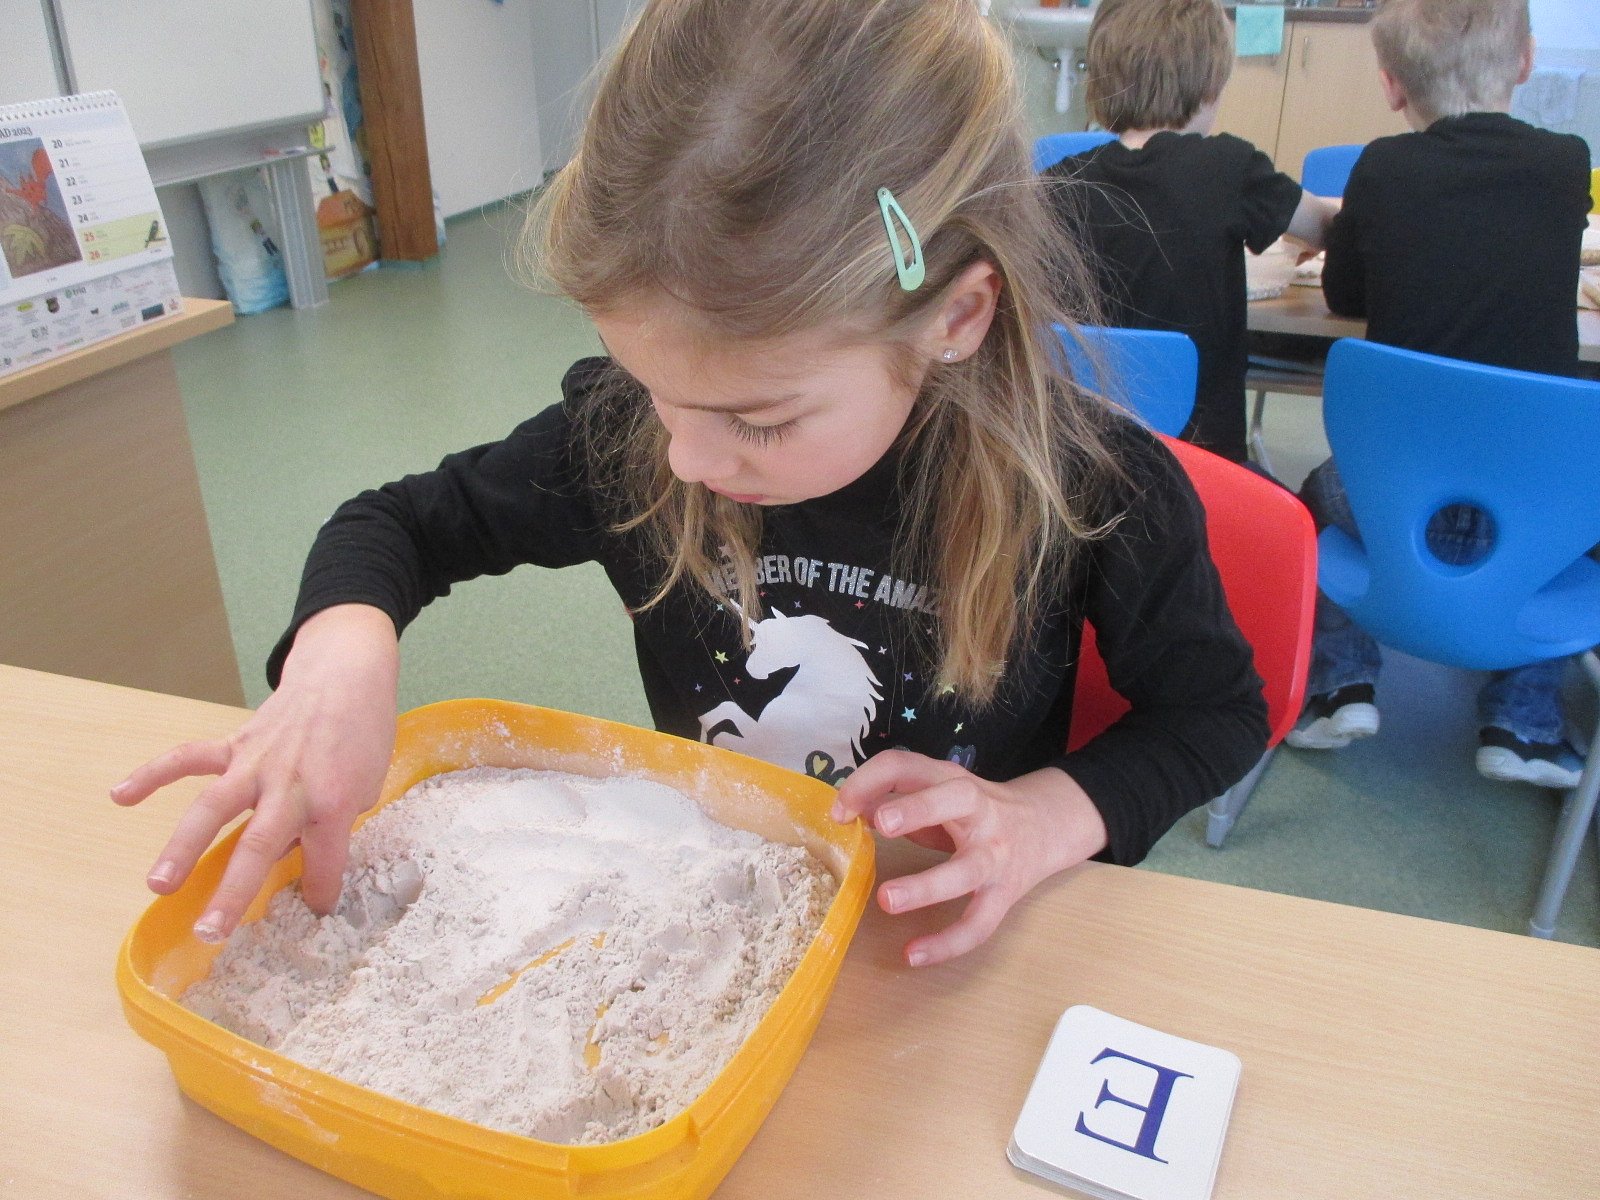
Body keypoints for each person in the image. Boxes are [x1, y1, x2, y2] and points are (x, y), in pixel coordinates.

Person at [112, 0, 1267, 969]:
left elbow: (1214, 716)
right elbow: (398, 526)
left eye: (757, 420)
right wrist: (338, 656)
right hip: (722, 908)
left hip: (934, 945)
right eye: (653, 389)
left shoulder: (1090, 489)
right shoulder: (629, 436)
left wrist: (1040, 816)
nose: (685, 461)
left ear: (955, 317)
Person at [1289, 0, 1593, 788]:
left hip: (1390, 506)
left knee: (1311, 494)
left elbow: (1344, 293)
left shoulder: (1382, 167)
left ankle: (1341, 683)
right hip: (1535, 515)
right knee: (1570, 517)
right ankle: (1524, 721)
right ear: (1526, 60)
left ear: (1392, 85)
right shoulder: (1567, 164)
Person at [1043, 0, 1336, 464]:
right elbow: (1326, 228)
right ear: (1211, 84)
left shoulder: (1056, 185)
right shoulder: (1231, 169)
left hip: (1083, 464)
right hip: (1204, 469)